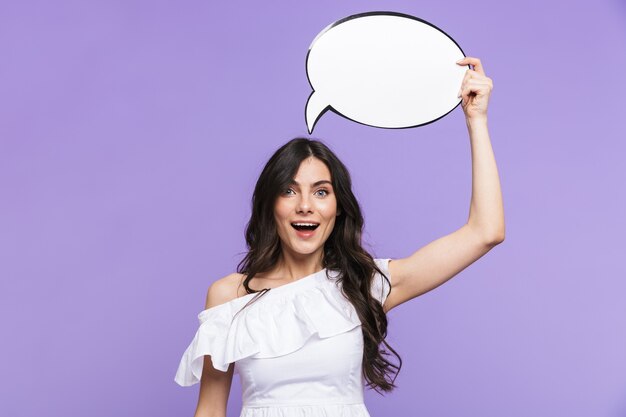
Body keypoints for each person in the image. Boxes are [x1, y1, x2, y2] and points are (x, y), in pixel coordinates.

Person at [174, 56, 504, 417]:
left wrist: (477, 120)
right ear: (271, 205)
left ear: (338, 207)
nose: (305, 206)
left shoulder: (364, 283)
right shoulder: (228, 296)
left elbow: (485, 232)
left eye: (320, 192)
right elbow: (209, 409)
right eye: (288, 191)